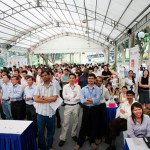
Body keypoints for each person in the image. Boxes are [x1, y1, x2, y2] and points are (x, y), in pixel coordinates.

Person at [74, 73, 101, 150]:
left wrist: (88, 99)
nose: (90, 80)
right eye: (89, 78)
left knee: (93, 125)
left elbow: (98, 100)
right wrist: (92, 100)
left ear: (94, 79)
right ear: (87, 79)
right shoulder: (83, 89)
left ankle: (92, 141)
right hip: (86, 109)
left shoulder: (97, 89)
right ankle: (79, 142)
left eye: (92, 78)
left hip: (94, 109)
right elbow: (82, 100)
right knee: (83, 125)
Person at [34, 70, 58, 150]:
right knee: (40, 132)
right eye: (42, 75)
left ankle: (49, 146)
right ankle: (43, 148)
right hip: (40, 113)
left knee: (51, 132)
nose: (44, 77)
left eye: (46, 75)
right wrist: (49, 99)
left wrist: (43, 97)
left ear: (49, 75)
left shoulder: (54, 85)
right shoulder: (38, 86)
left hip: (51, 113)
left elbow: (54, 98)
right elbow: (36, 99)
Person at [59, 73, 81, 147]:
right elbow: (64, 96)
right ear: (69, 79)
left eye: (73, 78)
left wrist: (71, 98)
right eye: (70, 78)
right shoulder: (65, 87)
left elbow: (79, 97)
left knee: (76, 121)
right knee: (65, 122)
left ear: (75, 79)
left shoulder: (78, 87)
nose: (71, 79)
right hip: (67, 106)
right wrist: (72, 96)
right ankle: (63, 138)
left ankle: (73, 134)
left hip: (76, 106)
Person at [96, 76, 110, 144]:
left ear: (102, 82)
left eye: (100, 81)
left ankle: (99, 137)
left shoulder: (105, 89)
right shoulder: (93, 88)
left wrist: (102, 100)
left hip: (101, 105)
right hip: (94, 106)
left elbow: (107, 98)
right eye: (97, 80)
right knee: (94, 120)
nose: (98, 82)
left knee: (101, 121)